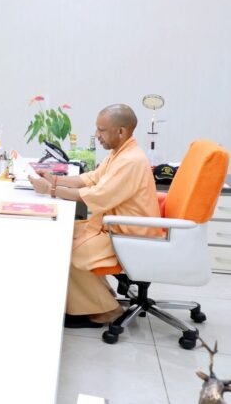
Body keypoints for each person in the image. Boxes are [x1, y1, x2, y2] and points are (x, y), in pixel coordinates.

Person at [29, 104, 162, 328]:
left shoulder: (130, 161)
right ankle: (97, 297)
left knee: (66, 250)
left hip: (130, 235)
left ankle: (107, 311)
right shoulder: (120, 153)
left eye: (101, 130)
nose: (96, 135)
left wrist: (50, 190)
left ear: (121, 131)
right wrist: (55, 179)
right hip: (114, 227)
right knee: (61, 236)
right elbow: (91, 178)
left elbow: (98, 196)